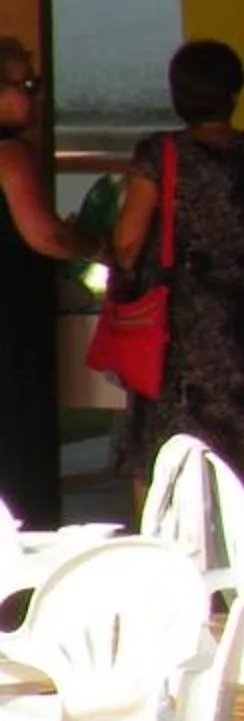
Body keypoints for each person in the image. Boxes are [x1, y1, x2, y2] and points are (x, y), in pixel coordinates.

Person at [109, 39, 244, 510]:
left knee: (158, 444)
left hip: (178, 321)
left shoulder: (160, 154)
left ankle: (158, 553)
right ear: (234, 93)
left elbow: (129, 239)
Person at [0, 38, 98, 526]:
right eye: (28, 85)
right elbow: (46, 236)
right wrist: (96, 246)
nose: (36, 97)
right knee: (17, 453)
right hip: (10, 326)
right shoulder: (10, 154)